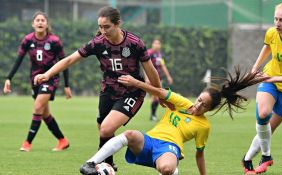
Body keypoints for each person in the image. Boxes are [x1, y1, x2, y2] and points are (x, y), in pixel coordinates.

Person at [34, 6, 161, 170]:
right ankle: (108, 165)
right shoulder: (98, 43)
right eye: (100, 27)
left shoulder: (135, 43)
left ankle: (94, 164)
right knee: (103, 128)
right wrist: (48, 74)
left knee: (106, 128)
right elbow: (69, 60)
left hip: (132, 93)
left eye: (106, 27)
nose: (102, 31)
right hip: (108, 91)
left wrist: (160, 94)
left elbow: (152, 72)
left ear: (118, 24)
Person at [79, 66, 268, 175]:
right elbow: (160, 92)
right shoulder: (183, 103)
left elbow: (199, 155)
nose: (198, 105)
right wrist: (137, 83)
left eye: (204, 105)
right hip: (149, 141)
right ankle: (90, 163)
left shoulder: (203, 126)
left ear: (209, 110)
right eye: (199, 100)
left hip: (169, 149)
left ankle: (173, 170)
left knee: (167, 169)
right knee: (129, 134)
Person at [241, 2, 282, 174]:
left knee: (271, 127)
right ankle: (267, 155)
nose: (277, 23)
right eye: (275, 19)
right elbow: (267, 48)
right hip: (270, 79)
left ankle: (247, 158)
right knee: (263, 114)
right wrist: (255, 69)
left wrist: (271, 78)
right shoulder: (272, 32)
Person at [2, 11, 72, 152]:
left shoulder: (54, 41)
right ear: (33, 24)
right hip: (35, 80)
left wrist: (67, 85)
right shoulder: (28, 40)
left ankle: (27, 143)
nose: (40, 22)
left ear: (47, 24)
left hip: (50, 79)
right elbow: (18, 60)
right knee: (44, 114)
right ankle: (62, 140)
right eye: (37, 20)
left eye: (43, 20)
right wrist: (8, 78)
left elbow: (64, 63)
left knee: (37, 107)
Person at [147, 38, 173, 121]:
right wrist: (147, 77)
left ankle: (153, 116)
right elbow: (145, 66)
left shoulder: (159, 55)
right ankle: (153, 116)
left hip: (159, 78)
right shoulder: (149, 53)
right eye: (155, 43)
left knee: (157, 97)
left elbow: (163, 66)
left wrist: (168, 76)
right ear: (152, 44)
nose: (157, 45)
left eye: (158, 43)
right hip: (152, 78)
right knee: (156, 96)